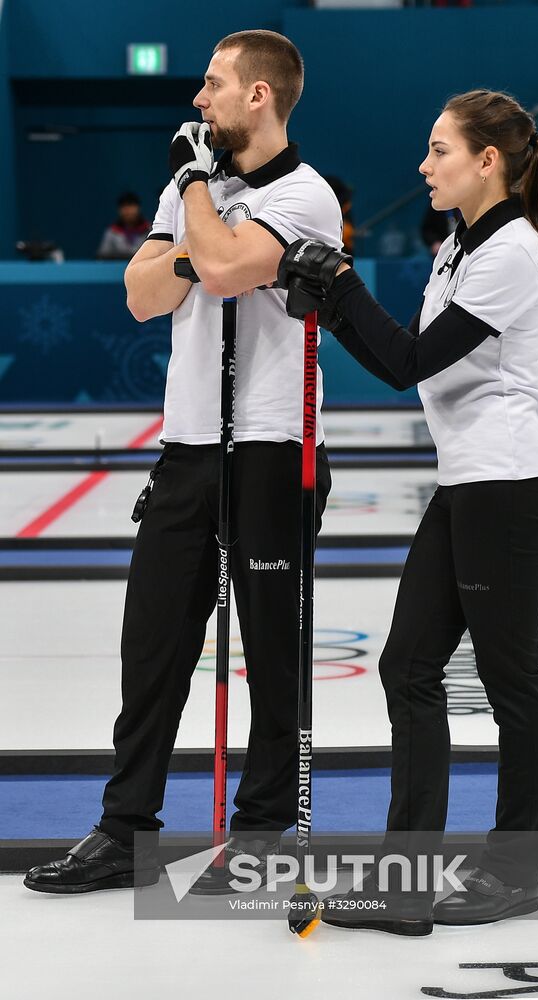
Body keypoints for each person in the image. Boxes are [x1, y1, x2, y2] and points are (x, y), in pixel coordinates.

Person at [24, 29, 341, 896]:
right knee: (153, 645)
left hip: (273, 446)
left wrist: (200, 215)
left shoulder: (306, 195)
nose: (196, 100)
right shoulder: (191, 186)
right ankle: (126, 828)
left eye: (212, 84)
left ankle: (264, 830)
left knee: (275, 653)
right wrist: (200, 235)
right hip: (191, 445)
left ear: (259, 97)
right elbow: (141, 293)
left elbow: (231, 270)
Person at [279, 89, 538, 936]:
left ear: (488, 162)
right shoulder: (459, 245)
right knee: (408, 668)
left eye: (439, 150)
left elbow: (410, 362)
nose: (423, 165)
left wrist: (340, 285)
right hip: (470, 484)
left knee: (511, 683)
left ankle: (515, 872)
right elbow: (406, 362)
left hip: (505, 487)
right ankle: (406, 882)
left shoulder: (511, 252)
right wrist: (333, 305)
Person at [96, 192, 151, 259]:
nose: (129, 211)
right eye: (125, 207)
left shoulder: (150, 230)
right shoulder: (112, 232)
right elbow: (102, 256)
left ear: (139, 208)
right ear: (119, 210)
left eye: (132, 206)